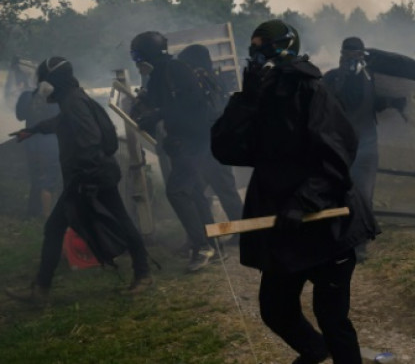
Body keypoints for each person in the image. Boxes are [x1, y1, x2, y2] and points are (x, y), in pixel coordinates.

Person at [211, 20, 379, 364]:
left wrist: (303, 201)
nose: (259, 57)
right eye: (254, 49)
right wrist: (245, 99)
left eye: (266, 49)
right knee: (276, 310)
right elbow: (226, 149)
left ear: (285, 50)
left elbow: (336, 156)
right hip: (283, 225)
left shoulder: (312, 90)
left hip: (326, 218)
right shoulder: (257, 96)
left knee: (333, 317)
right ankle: (316, 353)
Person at [5, 57, 152, 302]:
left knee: (59, 227)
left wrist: (86, 179)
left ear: (53, 81)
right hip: (93, 175)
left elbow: (90, 140)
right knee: (64, 226)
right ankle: (40, 288)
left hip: (91, 178)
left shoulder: (73, 101)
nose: (42, 85)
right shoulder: (72, 98)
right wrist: (33, 129)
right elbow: (61, 122)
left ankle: (41, 289)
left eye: (44, 80)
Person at [129, 31, 220, 272]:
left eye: (138, 57)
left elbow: (191, 106)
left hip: (192, 141)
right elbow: (166, 104)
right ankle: (212, 243)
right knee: (194, 191)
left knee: (177, 191)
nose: (137, 63)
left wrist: (157, 115)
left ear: (147, 55)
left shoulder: (175, 70)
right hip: (185, 140)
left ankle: (202, 247)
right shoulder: (161, 74)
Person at [320, 37, 405, 261]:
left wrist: (395, 103)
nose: (351, 59)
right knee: (338, 196)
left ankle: (359, 245)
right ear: (341, 55)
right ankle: (339, 242)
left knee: (364, 197)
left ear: (362, 56)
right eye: (347, 54)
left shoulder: (371, 79)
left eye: (356, 55)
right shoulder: (330, 79)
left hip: (366, 148)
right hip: (337, 150)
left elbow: (375, 103)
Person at [176, 44, 244, 224]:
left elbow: (205, 113)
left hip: (208, 145)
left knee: (214, 189)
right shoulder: (215, 79)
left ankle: (239, 233)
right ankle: (216, 234)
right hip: (216, 142)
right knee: (218, 190)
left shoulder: (199, 81)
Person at [12, 59, 61, 218]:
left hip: (31, 142)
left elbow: (20, 116)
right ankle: (47, 216)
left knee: (35, 176)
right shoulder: (57, 98)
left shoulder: (27, 96)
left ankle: (33, 212)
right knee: (48, 179)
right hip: (51, 143)